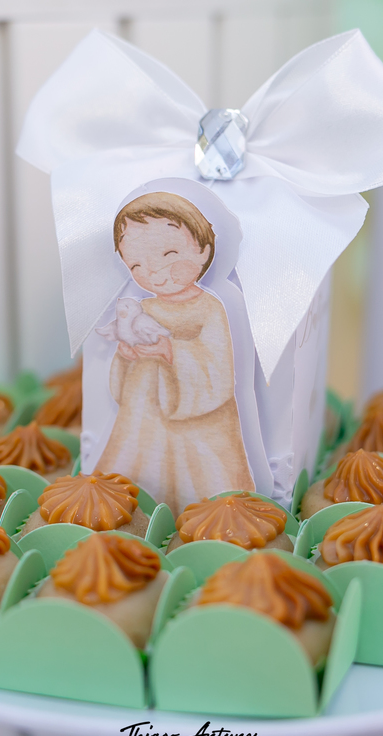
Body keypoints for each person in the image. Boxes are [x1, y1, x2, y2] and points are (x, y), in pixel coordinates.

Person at [95, 192, 254, 512]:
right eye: (137, 264)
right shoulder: (143, 308)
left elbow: (218, 367)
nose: (154, 273)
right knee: (137, 475)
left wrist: (172, 350)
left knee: (205, 490)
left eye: (168, 254)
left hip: (199, 424)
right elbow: (120, 388)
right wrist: (126, 355)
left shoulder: (209, 308)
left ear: (204, 250)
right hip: (142, 419)